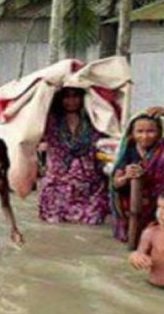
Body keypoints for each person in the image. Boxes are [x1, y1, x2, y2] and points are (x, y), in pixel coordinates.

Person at [39, 87, 109, 225]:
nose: (71, 101)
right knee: (55, 228)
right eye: (66, 97)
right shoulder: (49, 120)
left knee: (92, 224)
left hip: (89, 185)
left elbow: (106, 140)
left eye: (75, 96)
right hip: (57, 186)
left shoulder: (94, 119)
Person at [111, 109, 164, 242]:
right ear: (132, 134)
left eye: (151, 131)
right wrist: (127, 176)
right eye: (140, 131)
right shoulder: (128, 151)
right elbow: (116, 184)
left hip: (157, 202)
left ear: (159, 133)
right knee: (134, 240)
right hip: (131, 205)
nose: (145, 136)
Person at [129, 188, 164, 290]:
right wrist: (136, 257)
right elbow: (140, 253)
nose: (160, 213)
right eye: (159, 207)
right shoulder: (151, 233)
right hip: (157, 287)